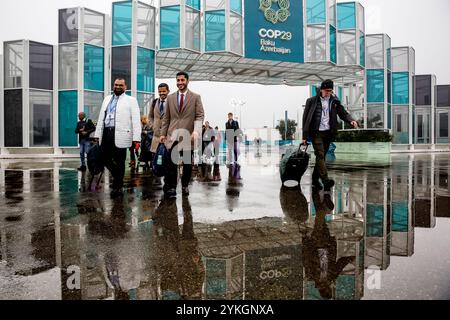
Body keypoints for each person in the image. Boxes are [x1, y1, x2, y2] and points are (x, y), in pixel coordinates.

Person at [302, 79, 358, 191]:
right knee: (320, 155)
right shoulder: (311, 101)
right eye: (327, 90)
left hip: (328, 133)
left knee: (321, 157)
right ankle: (325, 180)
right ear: (321, 89)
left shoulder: (334, 101)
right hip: (316, 132)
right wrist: (304, 136)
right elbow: (305, 119)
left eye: (330, 91)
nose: (329, 93)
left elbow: (343, 113)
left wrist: (351, 120)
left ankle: (314, 179)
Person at [94, 77, 141, 197]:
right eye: (116, 85)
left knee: (120, 162)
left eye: (120, 85)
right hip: (106, 133)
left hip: (121, 134)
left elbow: (136, 120)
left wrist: (137, 138)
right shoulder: (107, 99)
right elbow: (101, 117)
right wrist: (97, 135)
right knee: (103, 157)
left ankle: (118, 187)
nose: (118, 87)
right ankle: (117, 176)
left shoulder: (131, 100)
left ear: (125, 87)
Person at [160, 71, 205, 198]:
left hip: (188, 135)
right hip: (172, 135)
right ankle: (172, 188)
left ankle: (185, 185)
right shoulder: (170, 97)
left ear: (187, 81)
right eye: (178, 80)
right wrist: (163, 134)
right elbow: (166, 118)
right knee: (171, 164)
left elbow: (199, 115)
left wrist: (196, 130)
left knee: (186, 164)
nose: (180, 83)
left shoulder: (195, 97)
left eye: (182, 80)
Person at [303, 191, 355, 299]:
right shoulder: (331, 276)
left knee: (320, 216)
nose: (331, 286)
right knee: (320, 217)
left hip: (316, 243)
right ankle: (319, 195)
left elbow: (306, 259)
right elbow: (340, 263)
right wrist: (352, 258)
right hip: (326, 243)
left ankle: (319, 194)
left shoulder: (312, 276)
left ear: (325, 289)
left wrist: (305, 240)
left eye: (329, 288)